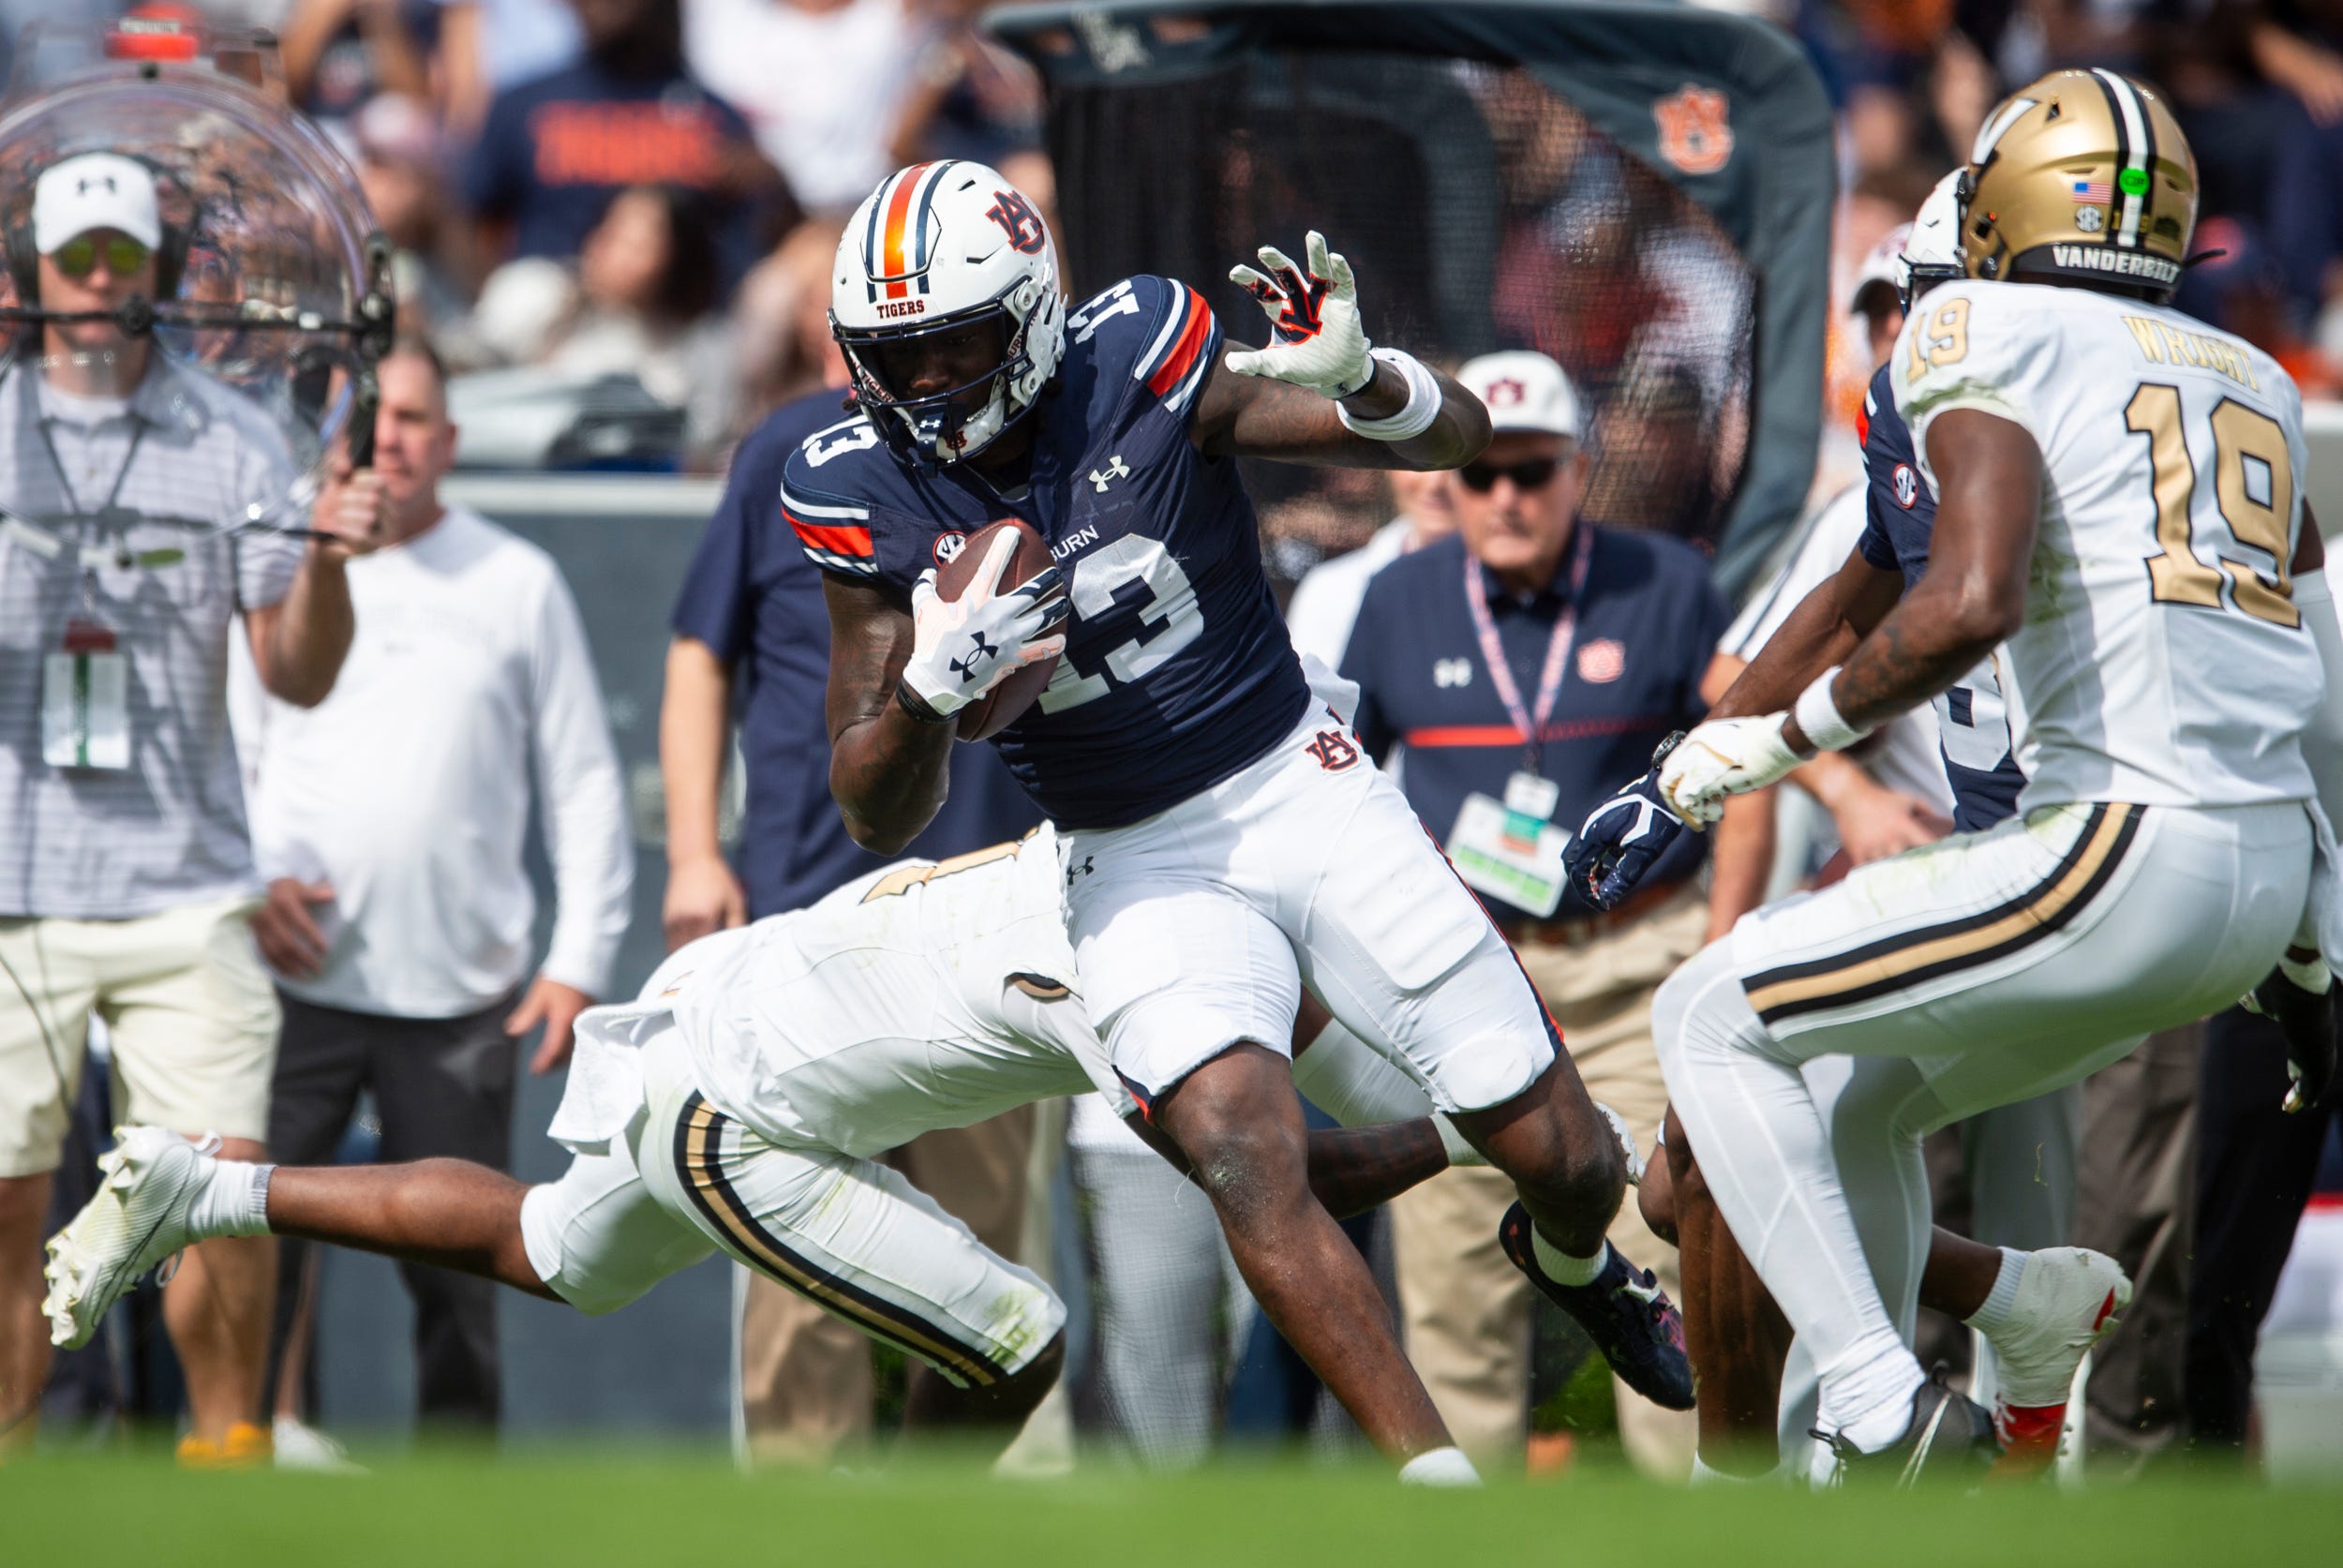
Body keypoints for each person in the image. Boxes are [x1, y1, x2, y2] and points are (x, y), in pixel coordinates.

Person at [787, 159, 1692, 1484]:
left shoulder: (1138, 359)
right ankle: (1435, 1487)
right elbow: (875, 803)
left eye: (954, 347)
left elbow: (1444, 442)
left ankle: (1572, 1260)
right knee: (1242, 1151)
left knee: (1565, 1155)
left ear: (1034, 314)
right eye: (895, 357)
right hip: (1130, 856)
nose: (926, 386)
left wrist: (1363, 373)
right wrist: (928, 688)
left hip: (1294, 783)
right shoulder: (859, 485)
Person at [1606, 70, 2339, 1480]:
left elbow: (1966, 602)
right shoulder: (2241, 369)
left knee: (1707, 1021)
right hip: (2254, 885)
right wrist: (2315, 956)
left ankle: (1883, 1408)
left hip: (2115, 845)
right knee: (1868, 1097)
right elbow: (2306, 692)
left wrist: (1765, 746)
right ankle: (2008, 1313)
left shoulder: (1973, 322)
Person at [43, 827, 1487, 1465]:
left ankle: (206, 1184)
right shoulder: (1147, 960)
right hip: (738, 1105)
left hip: (719, 1009)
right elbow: (1290, 1185)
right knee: (1018, 1336)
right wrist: (1480, 1127)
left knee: (550, 1247)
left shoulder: (1087, 872)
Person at [0, 151, 384, 1462]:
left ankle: (230, 1460)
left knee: (218, 1193)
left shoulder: (236, 437)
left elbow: (300, 669)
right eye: (77, 258)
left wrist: (328, 554)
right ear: (32, 274)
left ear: (159, 273)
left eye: (123, 256)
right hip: (12, 887)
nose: (101, 280)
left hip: (186, 884)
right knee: (5, 1213)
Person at [1336, 349, 1756, 1477]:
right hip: (1466, 982)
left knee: (1660, 1255)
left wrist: (1723, 938)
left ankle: (1695, 1533)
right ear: (1448, 483)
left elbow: (1745, 753)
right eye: (1481, 474)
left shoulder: (1664, 581)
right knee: (1455, 1291)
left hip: (1629, 974)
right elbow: (1340, 789)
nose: (1507, 495)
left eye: (1531, 470)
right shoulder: (1392, 598)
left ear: (1576, 469)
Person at [231, 339, 633, 1435]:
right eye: (375, 418)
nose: (393, 438)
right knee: (246, 1253)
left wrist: (577, 962)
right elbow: (229, 752)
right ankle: (251, 1461)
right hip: (292, 978)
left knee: (459, 1284)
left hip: (461, 996)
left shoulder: (516, 581)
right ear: (334, 439)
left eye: (415, 419)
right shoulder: (276, 566)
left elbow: (586, 782)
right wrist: (250, 882)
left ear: (451, 444)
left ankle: (454, 1515)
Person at [661, 376, 1043, 1466]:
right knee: (798, 1257)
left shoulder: (1059, 436)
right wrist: (693, 850)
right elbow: (701, 647)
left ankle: (946, 1530)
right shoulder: (788, 446)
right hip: (810, 912)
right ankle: (798, 1522)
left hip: (990, 912)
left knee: (979, 1273)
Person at [462, 0, 788, 285]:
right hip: (549, 318)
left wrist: (772, 183)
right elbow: (466, 216)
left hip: (675, 329)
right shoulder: (521, 105)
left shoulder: (713, 114)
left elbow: (767, 237)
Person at [1282, 466, 1455, 668]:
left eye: (1459, 463)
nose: (1435, 483)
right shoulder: (1329, 591)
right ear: (1389, 467)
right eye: (1422, 457)